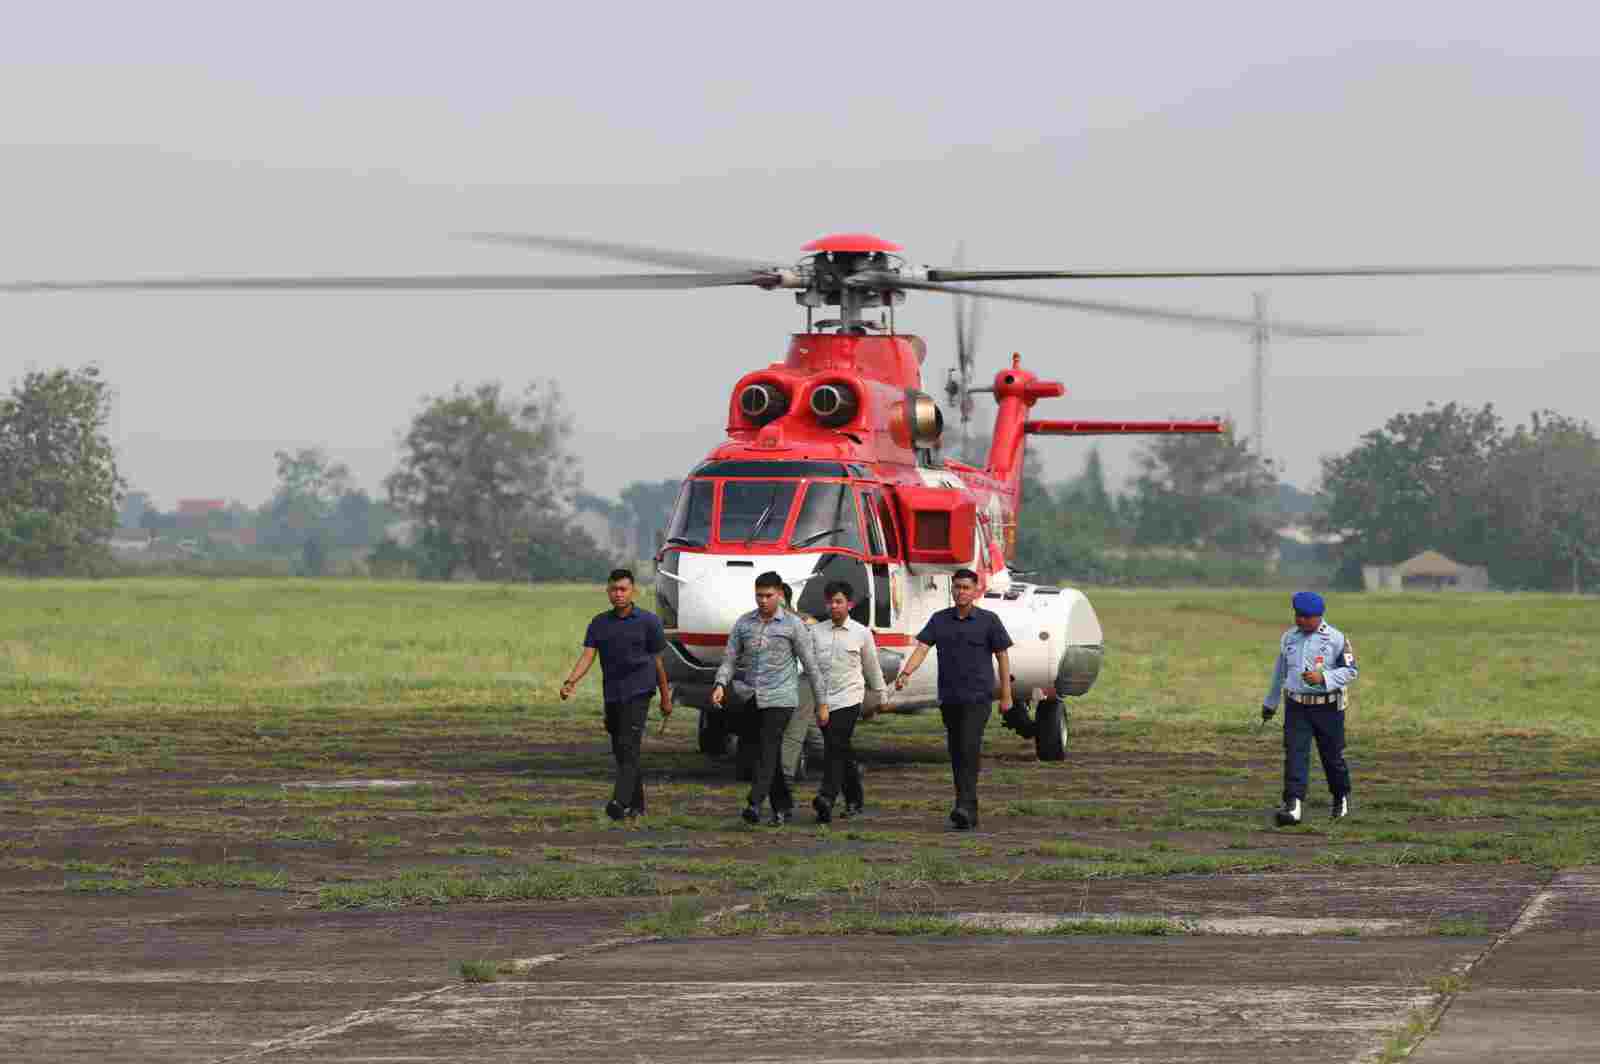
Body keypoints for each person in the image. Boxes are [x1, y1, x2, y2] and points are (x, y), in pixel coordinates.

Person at [894, 568, 1013, 830]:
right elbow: (922, 648)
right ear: (952, 589)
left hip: (978, 698)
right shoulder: (939, 620)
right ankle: (967, 808)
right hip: (950, 698)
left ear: (976, 590)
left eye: (966, 587)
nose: (961, 592)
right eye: (957, 587)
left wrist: (1006, 695)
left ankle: (964, 807)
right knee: (957, 752)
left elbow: (1003, 657)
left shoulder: (989, 621)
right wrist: (906, 673)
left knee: (969, 748)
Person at [712, 571, 828, 825]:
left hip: (782, 697)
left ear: (780, 595)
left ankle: (754, 803)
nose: (763, 600)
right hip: (752, 695)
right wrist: (720, 684)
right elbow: (730, 659)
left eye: (768, 595)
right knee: (762, 752)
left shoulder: (793, 625)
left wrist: (821, 703)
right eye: (759, 596)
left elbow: (811, 666)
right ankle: (783, 806)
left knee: (768, 745)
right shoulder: (744, 623)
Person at [560, 568, 671, 821]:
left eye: (623, 589)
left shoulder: (649, 622)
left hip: (640, 691)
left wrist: (665, 697)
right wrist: (571, 681)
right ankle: (637, 806)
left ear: (633, 591)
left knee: (630, 747)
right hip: (613, 694)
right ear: (607, 591)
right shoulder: (599, 623)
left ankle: (619, 802)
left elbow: (658, 662)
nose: (618, 594)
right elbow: (588, 655)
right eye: (614, 589)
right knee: (622, 750)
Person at [1261, 590, 1359, 826]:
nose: (1301, 620)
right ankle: (1293, 806)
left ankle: (1340, 798)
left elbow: (1351, 671)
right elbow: (1280, 672)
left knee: (1332, 757)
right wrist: (1270, 704)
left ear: (1319, 616)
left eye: (1307, 617)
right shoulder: (1288, 638)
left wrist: (1323, 678)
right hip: (1296, 707)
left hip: (1328, 708)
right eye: (1298, 615)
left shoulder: (1336, 639)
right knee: (1295, 754)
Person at [809, 580, 888, 824]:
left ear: (849, 604)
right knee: (840, 748)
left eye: (839, 602)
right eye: (830, 602)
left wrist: (881, 694)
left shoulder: (861, 633)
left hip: (849, 697)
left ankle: (826, 797)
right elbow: (808, 666)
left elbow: (871, 666)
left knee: (835, 746)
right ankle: (854, 798)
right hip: (823, 700)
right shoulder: (816, 632)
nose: (834, 606)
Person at [780, 581, 826, 793]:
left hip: (801, 679)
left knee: (794, 729)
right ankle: (844, 765)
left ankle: (785, 776)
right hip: (779, 681)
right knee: (810, 728)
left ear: (784, 598)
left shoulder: (805, 621)